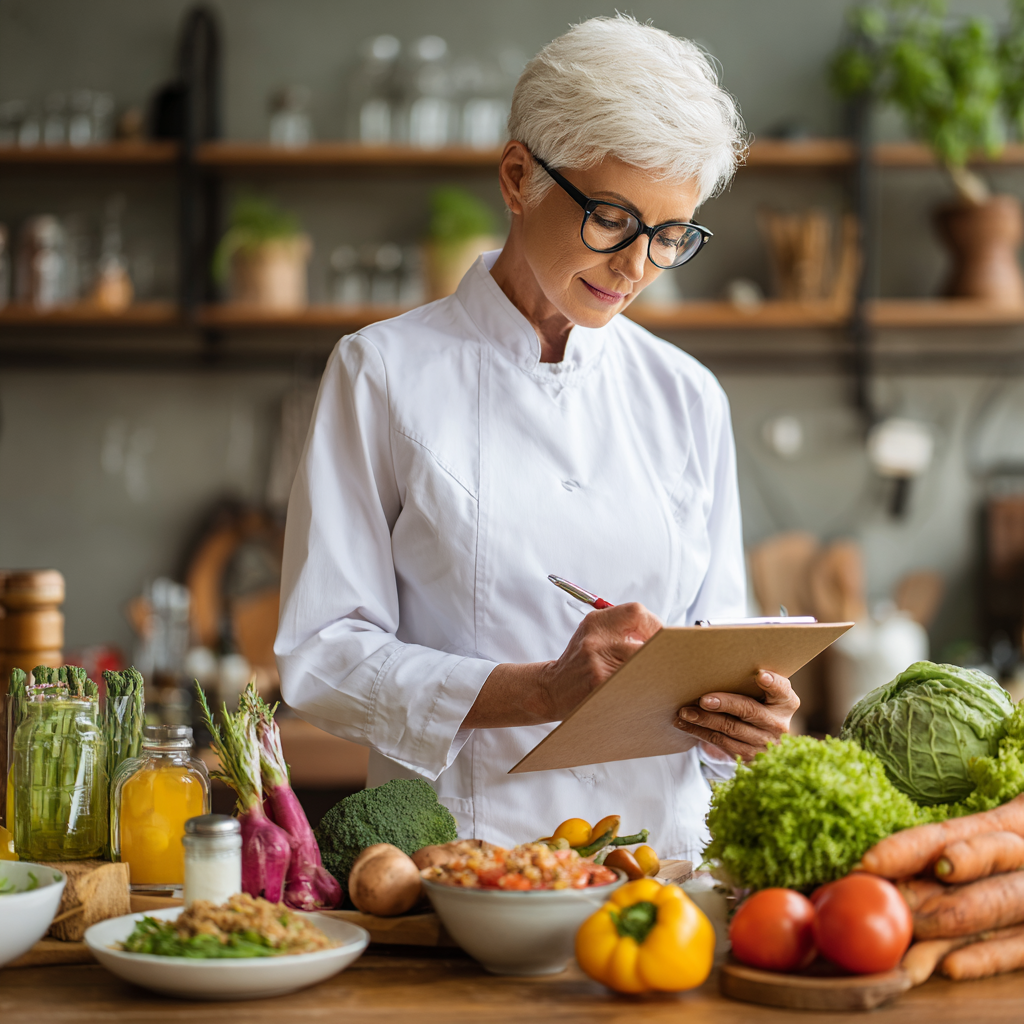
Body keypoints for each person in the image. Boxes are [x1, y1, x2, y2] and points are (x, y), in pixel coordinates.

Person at [275, 15, 799, 863]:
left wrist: (741, 717)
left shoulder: (688, 396)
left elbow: (715, 643)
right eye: (613, 219)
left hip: (658, 876)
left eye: (670, 236)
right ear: (520, 176)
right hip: (459, 872)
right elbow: (322, 656)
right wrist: (541, 690)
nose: (636, 267)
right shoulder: (380, 372)